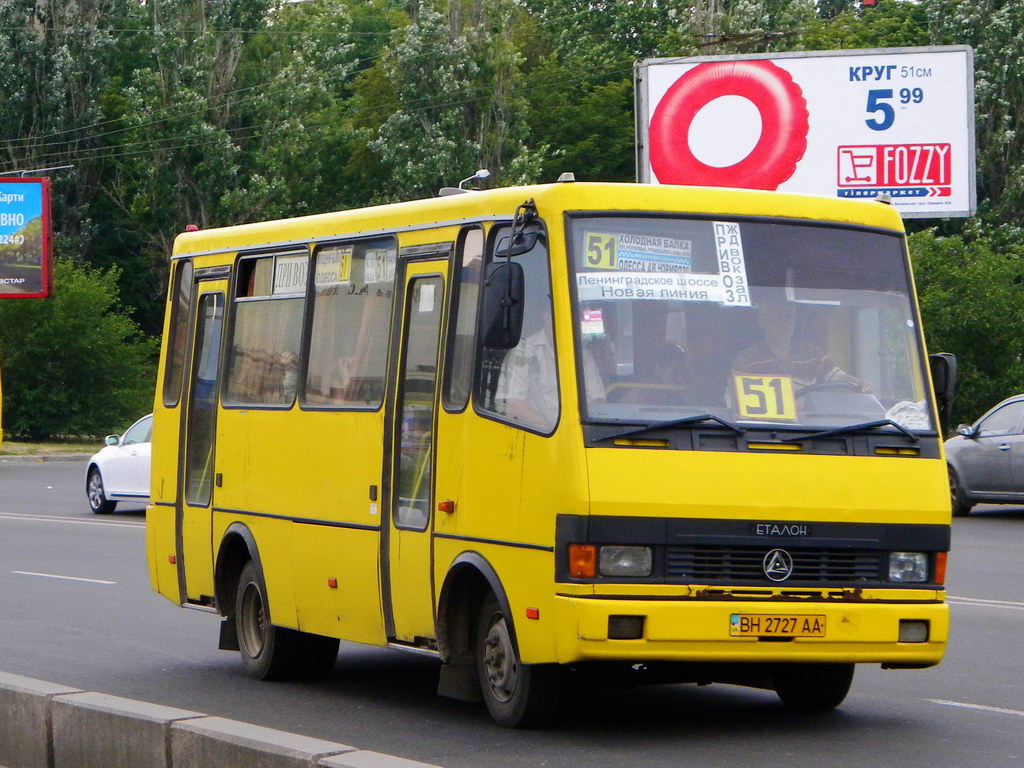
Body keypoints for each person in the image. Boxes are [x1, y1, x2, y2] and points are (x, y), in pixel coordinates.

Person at [731, 298, 869, 394]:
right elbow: (734, 401)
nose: (784, 322)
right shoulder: (747, 360)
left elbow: (838, 378)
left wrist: (858, 384)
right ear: (762, 321)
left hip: (813, 429)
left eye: (789, 316)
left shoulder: (812, 354)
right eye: (777, 316)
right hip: (765, 430)